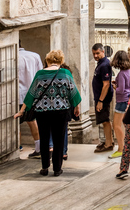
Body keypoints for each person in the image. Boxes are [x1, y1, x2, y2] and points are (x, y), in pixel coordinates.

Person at [13, 49, 81, 177]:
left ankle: (44, 167)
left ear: (48, 61)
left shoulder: (40, 74)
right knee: (59, 140)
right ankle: (57, 169)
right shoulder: (65, 73)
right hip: (60, 111)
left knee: (44, 139)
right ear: (61, 61)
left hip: (42, 112)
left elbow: (31, 94)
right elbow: (73, 92)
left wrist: (21, 111)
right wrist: (76, 107)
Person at [18, 44, 43, 159]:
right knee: (32, 121)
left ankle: (17, 148)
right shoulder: (35, 56)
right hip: (32, 95)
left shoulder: (13, 56)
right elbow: (41, 75)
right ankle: (38, 148)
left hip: (17, 95)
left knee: (15, 124)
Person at [109, 50, 130, 159]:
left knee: (116, 125)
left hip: (122, 101)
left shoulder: (122, 73)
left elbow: (121, 90)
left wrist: (115, 87)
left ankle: (121, 148)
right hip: (128, 100)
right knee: (125, 126)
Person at [92, 43, 114, 153]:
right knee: (104, 120)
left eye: (97, 53)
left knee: (105, 120)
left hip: (103, 98)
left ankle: (108, 144)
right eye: (94, 54)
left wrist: (100, 100)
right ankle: (108, 141)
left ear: (103, 52)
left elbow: (106, 84)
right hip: (100, 97)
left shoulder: (105, 64)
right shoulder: (101, 63)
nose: (95, 56)